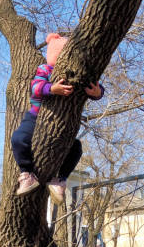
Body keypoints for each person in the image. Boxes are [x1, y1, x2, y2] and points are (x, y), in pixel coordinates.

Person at [11, 33, 104, 204]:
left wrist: (98, 93)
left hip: (62, 123)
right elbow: (36, 87)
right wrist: (52, 89)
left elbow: (96, 86)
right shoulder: (45, 69)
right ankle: (27, 173)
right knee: (18, 138)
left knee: (75, 148)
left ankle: (60, 179)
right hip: (35, 117)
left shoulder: (77, 73)